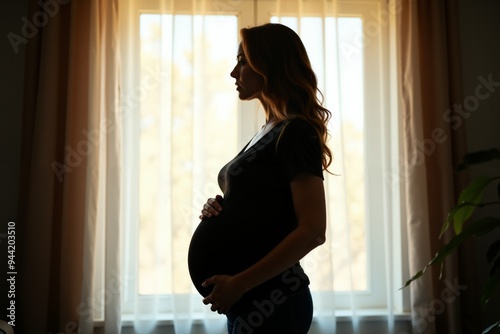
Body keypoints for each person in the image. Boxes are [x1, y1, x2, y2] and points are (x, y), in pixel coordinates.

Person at [187, 22, 332, 334]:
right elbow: (263, 209)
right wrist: (222, 208)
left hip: (274, 301)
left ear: (270, 65)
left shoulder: (296, 132)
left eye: (242, 61)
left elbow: (313, 231)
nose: (233, 72)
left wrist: (239, 283)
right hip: (248, 301)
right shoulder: (270, 130)